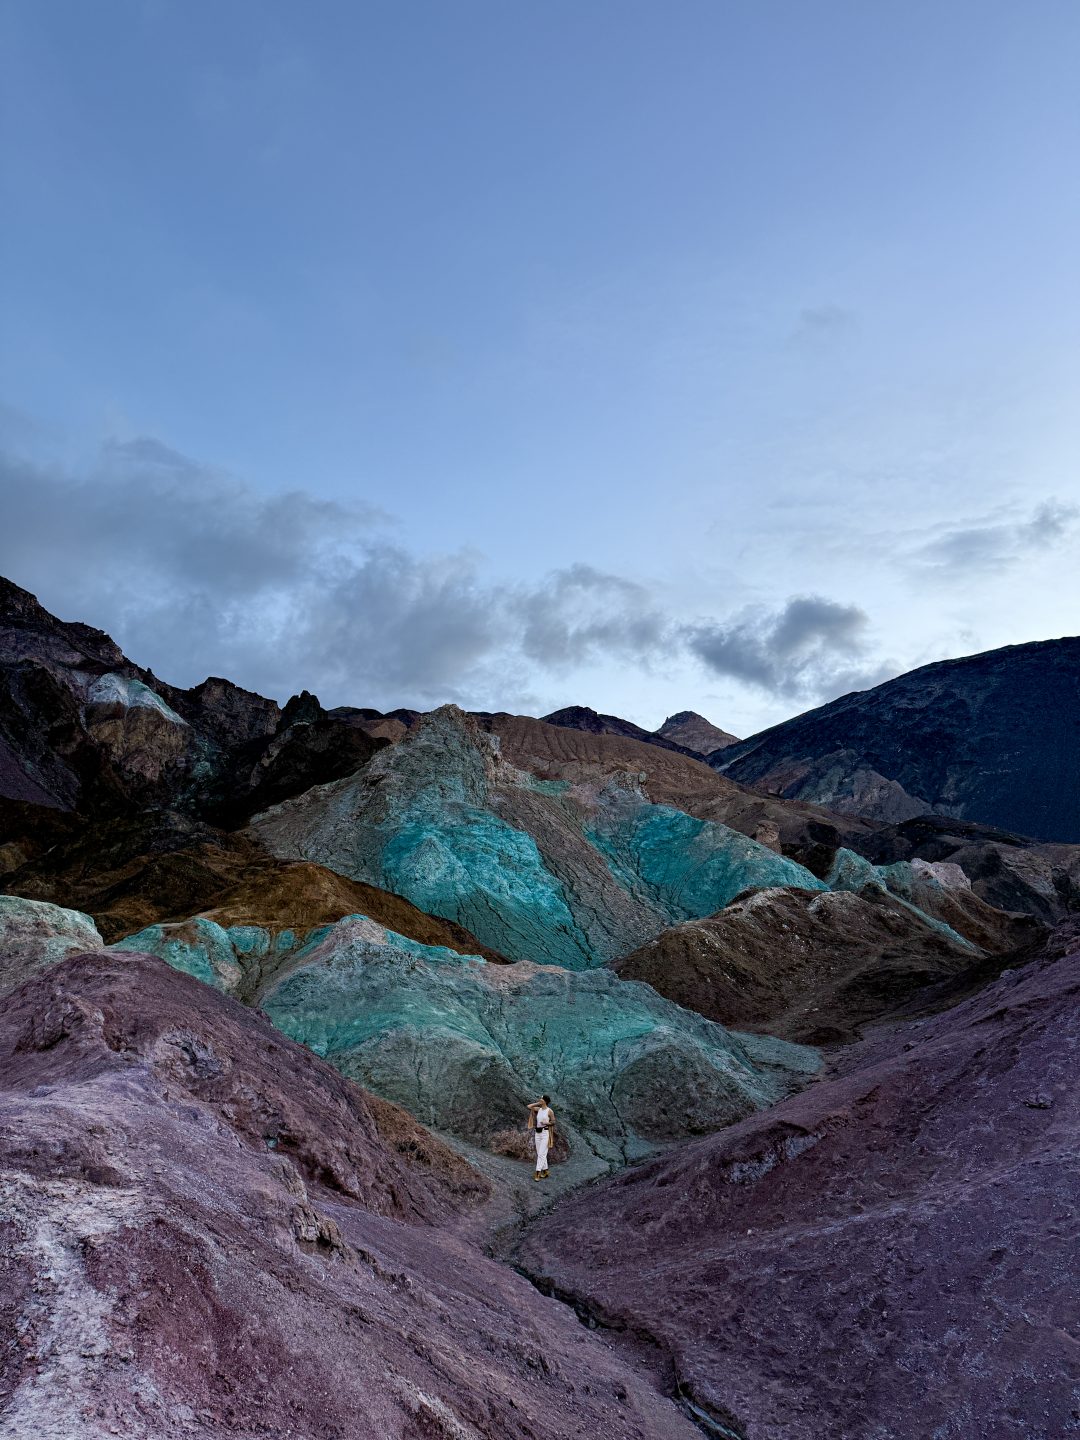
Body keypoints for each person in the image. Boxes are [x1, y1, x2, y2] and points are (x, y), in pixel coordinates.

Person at [527, 1095, 555, 1180]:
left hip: (545, 1133)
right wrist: (538, 1103)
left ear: (545, 1101)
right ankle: (546, 1171)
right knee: (540, 1154)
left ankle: (537, 1173)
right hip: (537, 1133)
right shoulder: (538, 1109)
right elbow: (529, 1106)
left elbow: (553, 1121)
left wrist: (547, 1123)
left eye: (542, 1098)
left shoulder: (549, 1111)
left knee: (541, 1154)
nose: (540, 1099)